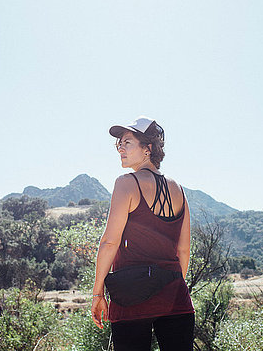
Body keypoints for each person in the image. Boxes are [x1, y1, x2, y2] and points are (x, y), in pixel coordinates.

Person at [91, 116, 195, 351]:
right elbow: (183, 249)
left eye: (127, 142)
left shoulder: (126, 183)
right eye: (119, 143)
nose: (120, 148)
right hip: (176, 298)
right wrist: (172, 287)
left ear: (147, 149)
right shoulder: (178, 189)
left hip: (131, 300)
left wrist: (98, 294)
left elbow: (109, 242)